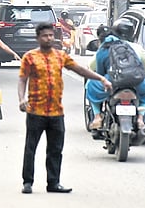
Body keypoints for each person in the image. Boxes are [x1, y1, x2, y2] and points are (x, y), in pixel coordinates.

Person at [18, 22, 112, 195]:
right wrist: (21, 99)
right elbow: (23, 79)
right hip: (35, 111)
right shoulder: (29, 57)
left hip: (56, 112)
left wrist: (101, 79)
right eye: (45, 35)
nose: (49, 38)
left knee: (56, 149)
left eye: (51, 35)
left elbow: (81, 70)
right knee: (31, 147)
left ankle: (53, 182)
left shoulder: (61, 56)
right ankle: (27, 182)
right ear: (38, 38)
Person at [86, 18, 145, 130]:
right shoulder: (135, 47)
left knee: (90, 85)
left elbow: (100, 72)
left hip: (113, 81)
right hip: (135, 81)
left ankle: (97, 117)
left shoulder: (103, 49)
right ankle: (140, 118)